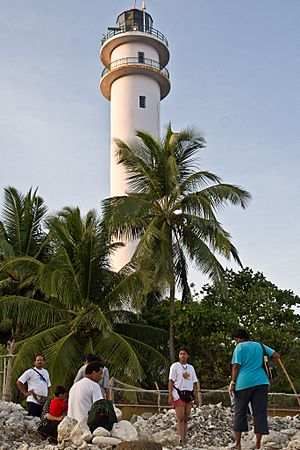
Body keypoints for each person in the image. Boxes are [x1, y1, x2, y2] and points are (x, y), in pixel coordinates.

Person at [229, 328, 280, 450]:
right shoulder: (259, 345)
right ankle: (257, 444)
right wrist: (264, 363)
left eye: (236, 340)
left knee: (240, 412)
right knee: (259, 413)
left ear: (239, 339)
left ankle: (238, 444)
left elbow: (236, 366)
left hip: (243, 383)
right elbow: (276, 356)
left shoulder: (239, 347)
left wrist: (232, 382)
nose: (236, 342)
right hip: (262, 381)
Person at [168, 346, 199, 445]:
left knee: (186, 417)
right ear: (178, 355)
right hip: (178, 393)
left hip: (189, 393)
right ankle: (180, 438)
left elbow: (194, 382)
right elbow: (171, 381)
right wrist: (170, 395)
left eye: (184, 354)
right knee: (180, 417)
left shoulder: (191, 368)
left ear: (187, 355)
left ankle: (185, 438)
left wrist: (196, 396)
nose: (182, 356)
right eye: (181, 354)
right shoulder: (175, 366)